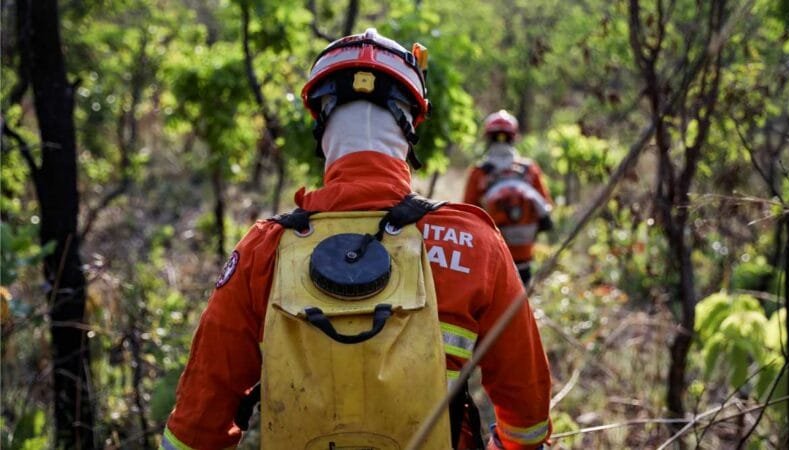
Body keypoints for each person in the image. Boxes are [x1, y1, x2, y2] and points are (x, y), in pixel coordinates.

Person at [160, 29, 551, 450]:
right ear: (411, 124)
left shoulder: (263, 249)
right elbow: (526, 420)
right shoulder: (474, 243)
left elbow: (195, 429)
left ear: (320, 120)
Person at [463, 111, 553, 285]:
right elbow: (546, 207)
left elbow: (468, 214)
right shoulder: (529, 169)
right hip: (524, 253)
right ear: (514, 137)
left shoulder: (479, 172)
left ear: (488, 137)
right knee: (521, 301)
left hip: (492, 253)